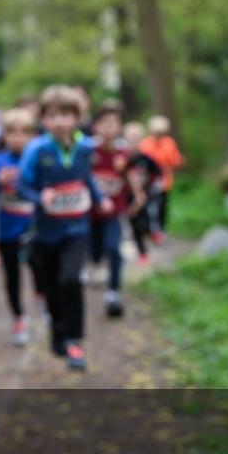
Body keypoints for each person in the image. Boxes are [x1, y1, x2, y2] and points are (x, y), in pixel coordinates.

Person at [18, 85, 112, 370]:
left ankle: (74, 340)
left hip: (76, 230)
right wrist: (39, 197)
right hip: (46, 233)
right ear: (43, 119)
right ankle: (58, 332)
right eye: (52, 115)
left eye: (66, 115)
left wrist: (100, 199)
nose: (59, 121)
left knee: (71, 280)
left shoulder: (84, 149)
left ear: (77, 117)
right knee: (53, 287)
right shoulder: (37, 149)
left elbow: (87, 178)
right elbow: (22, 184)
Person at [0, 109, 41, 345]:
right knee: (12, 277)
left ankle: (44, 301)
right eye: (12, 132)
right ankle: (18, 317)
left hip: (36, 229)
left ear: (33, 135)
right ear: (4, 135)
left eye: (24, 132)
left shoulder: (39, 159)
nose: (18, 137)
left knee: (40, 268)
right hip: (8, 229)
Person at [88, 101, 145, 318]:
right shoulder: (88, 151)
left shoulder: (124, 154)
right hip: (91, 214)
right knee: (95, 251)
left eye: (114, 123)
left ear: (120, 126)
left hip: (114, 211)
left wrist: (138, 196)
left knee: (114, 248)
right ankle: (93, 265)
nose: (110, 127)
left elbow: (131, 176)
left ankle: (113, 292)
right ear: (96, 126)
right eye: (105, 123)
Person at [123, 122, 164, 265]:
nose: (132, 143)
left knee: (145, 221)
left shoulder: (146, 159)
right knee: (134, 225)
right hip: (128, 198)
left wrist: (153, 187)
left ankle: (153, 233)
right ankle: (142, 253)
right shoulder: (123, 159)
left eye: (136, 139)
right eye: (129, 139)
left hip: (145, 197)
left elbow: (158, 172)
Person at [139, 115, 184, 242]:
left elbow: (175, 160)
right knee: (148, 205)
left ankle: (161, 229)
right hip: (148, 180)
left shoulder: (169, 143)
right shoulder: (145, 143)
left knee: (162, 206)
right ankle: (148, 229)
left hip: (164, 180)